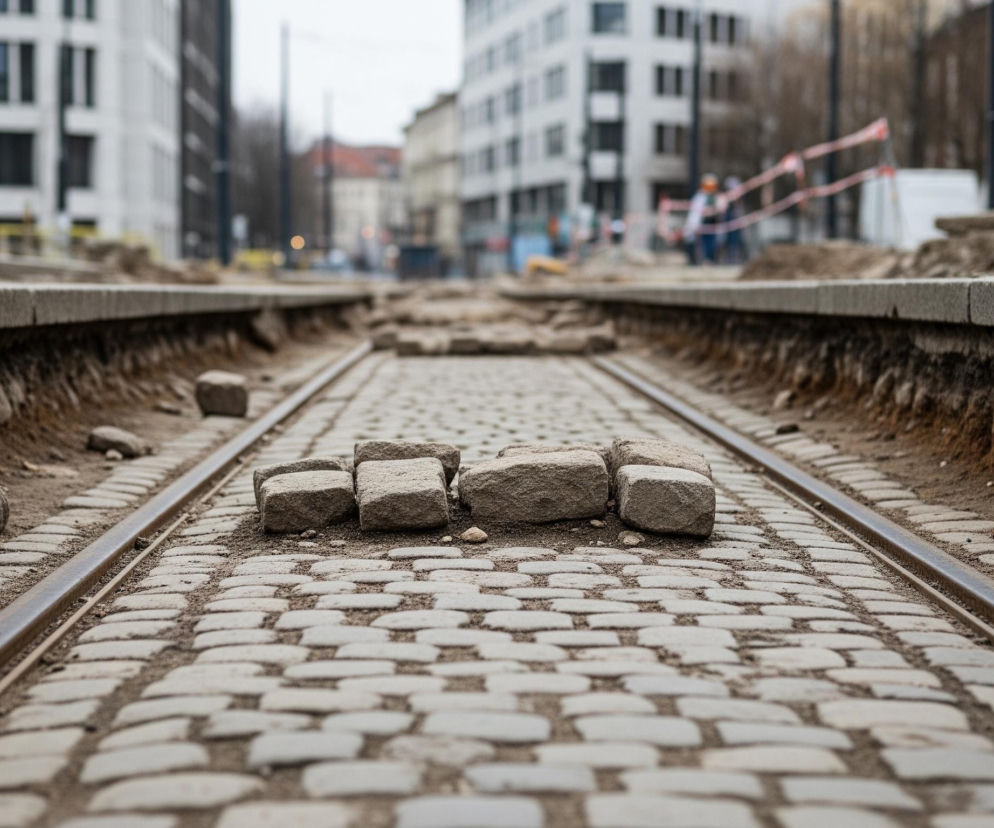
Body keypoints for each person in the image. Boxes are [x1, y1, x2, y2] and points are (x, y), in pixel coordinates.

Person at [684, 174, 722, 265]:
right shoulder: (700, 197)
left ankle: (710, 259)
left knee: (712, 243)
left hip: (713, 223)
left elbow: (720, 209)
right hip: (702, 223)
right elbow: (695, 213)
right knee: (700, 242)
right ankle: (698, 260)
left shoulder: (717, 197)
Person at [723, 176, 747, 263]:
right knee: (730, 239)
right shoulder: (727, 199)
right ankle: (731, 256)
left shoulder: (738, 200)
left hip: (736, 220)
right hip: (730, 220)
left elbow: (740, 209)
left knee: (737, 239)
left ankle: (736, 256)